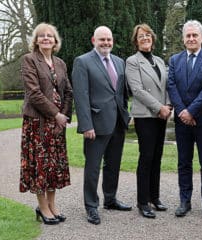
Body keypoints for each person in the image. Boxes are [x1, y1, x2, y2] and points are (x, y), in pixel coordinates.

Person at [72, 26, 132, 225]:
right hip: (96, 125)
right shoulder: (82, 62)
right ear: (93, 40)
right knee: (93, 167)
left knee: (113, 164)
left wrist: (125, 113)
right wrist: (86, 125)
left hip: (117, 123)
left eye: (109, 39)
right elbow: (81, 96)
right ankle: (91, 206)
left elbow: (122, 93)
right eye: (102, 39)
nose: (106, 43)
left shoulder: (119, 62)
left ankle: (111, 199)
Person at [19, 23, 72, 225]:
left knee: (54, 166)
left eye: (50, 36)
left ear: (55, 40)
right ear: (36, 40)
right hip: (37, 123)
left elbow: (68, 92)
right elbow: (33, 93)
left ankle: (52, 205)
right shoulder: (29, 60)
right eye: (42, 36)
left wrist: (64, 116)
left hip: (57, 124)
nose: (46, 38)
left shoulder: (60, 63)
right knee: (40, 166)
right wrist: (55, 114)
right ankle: (42, 207)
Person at [167, 20, 202, 218]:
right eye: (187, 36)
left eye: (194, 35)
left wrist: (192, 112)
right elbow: (172, 86)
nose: (191, 39)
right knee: (184, 162)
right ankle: (184, 200)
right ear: (183, 39)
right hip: (182, 121)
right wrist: (183, 112)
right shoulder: (174, 60)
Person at [125, 24, 172, 219]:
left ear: (152, 38)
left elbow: (167, 85)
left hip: (162, 115)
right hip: (146, 115)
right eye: (140, 36)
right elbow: (137, 90)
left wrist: (168, 106)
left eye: (147, 35)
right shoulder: (132, 61)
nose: (145, 38)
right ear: (136, 41)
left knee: (157, 157)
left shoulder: (160, 60)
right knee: (146, 158)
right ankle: (143, 201)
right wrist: (159, 107)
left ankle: (155, 196)